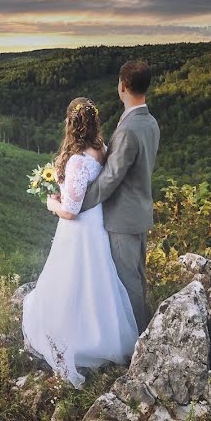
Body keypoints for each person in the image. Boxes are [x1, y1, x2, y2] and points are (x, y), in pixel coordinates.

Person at [21, 97, 139, 388]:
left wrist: (51, 204)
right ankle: (105, 334)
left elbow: (71, 212)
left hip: (78, 230)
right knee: (96, 279)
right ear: (94, 123)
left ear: (70, 125)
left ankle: (79, 341)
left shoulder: (76, 161)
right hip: (97, 225)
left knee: (71, 280)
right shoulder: (102, 150)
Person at [77, 59, 160, 334]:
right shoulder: (150, 122)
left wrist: (79, 203)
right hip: (140, 212)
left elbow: (112, 176)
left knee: (128, 283)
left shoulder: (128, 129)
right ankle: (142, 334)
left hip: (123, 218)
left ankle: (140, 344)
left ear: (122, 86)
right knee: (137, 278)